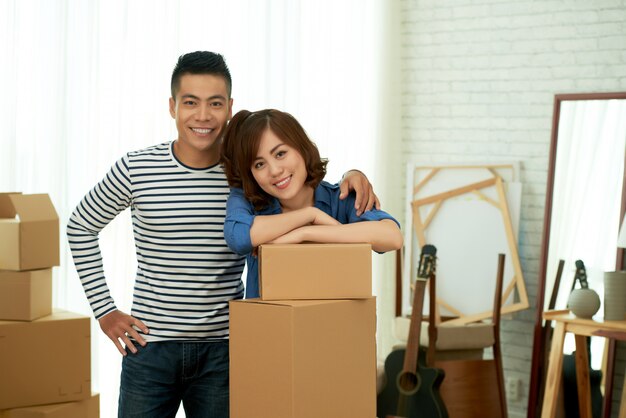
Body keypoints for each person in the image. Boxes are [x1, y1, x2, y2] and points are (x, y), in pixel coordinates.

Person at [66, 51, 379, 418]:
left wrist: (351, 175)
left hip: (227, 350)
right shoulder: (136, 168)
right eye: (190, 103)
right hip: (149, 347)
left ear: (230, 107)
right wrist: (104, 310)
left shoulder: (248, 177)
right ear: (172, 107)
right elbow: (80, 226)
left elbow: (300, 183)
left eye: (215, 103)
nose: (203, 116)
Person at [221, 109, 403, 298]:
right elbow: (238, 237)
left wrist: (304, 233)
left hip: (336, 325)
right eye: (259, 164)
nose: (274, 170)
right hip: (270, 325)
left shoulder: (340, 198)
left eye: (280, 153)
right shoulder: (251, 203)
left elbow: (392, 237)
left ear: (301, 147)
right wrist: (310, 215)